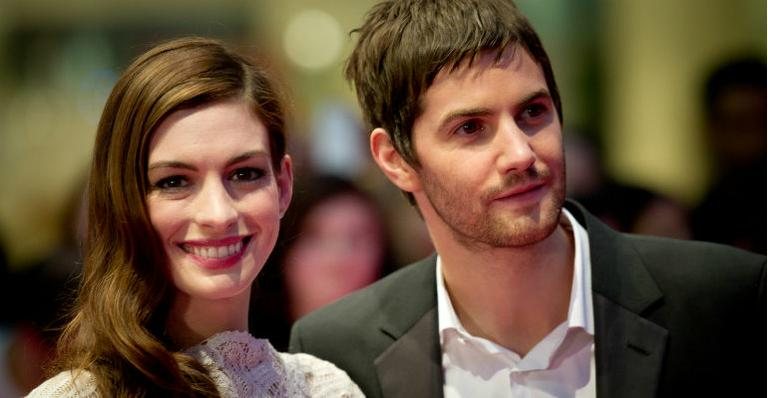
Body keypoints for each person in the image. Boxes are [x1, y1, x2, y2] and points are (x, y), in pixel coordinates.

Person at [288, 1, 766, 397]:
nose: (520, 153)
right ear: (395, 160)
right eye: (471, 128)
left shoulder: (725, 299)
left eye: (533, 112)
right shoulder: (335, 351)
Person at [27, 37, 362, 397]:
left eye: (244, 173)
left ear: (283, 185)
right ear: (123, 198)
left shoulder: (327, 390)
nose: (218, 214)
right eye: (174, 182)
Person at [250, 173, 397, 351]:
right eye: (316, 238)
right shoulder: (243, 360)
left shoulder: (409, 352)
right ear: (282, 252)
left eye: (358, 239)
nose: (338, 260)